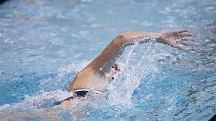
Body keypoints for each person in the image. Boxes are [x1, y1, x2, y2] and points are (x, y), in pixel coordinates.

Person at [57, 30, 193, 107]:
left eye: (117, 72)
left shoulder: (101, 88)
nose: (115, 70)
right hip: (58, 114)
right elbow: (121, 39)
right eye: (115, 66)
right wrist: (159, 37)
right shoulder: (95, 72)